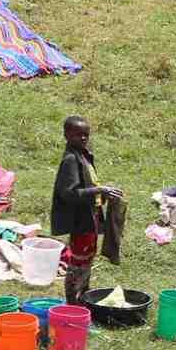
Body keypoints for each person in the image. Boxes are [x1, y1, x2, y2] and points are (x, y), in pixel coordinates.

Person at [51, 116, 123, 305]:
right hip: (80, 221)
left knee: (87, 259)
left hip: (90, 217)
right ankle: (72, 303)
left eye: (86, 135)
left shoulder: (83, 155)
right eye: (78, 135)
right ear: (66, 135)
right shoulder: (70, 160)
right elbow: (69, 193)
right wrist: (100, 190)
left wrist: (105, 194)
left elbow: (88, 184)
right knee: (79, 262)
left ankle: (82, 297)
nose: (83, 138)